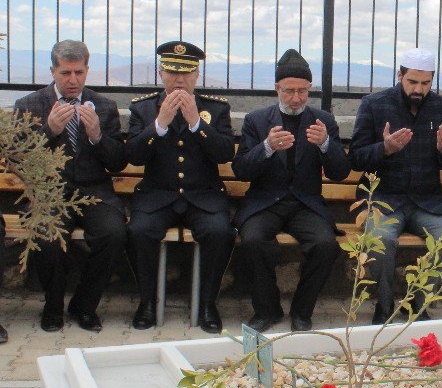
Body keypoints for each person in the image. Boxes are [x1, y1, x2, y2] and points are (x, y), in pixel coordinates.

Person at [232, 49, 352, 332]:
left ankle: (302, 310)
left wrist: (325, 144)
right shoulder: (256, 120)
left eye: (302, 91)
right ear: (277, 89)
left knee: (325, 245)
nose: (296, 98)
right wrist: (267, 148)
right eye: (289, 91)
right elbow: (241, 170)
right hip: (265, 203)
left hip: (305, 203)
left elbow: (340, 172)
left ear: (309, 88)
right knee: (252, 241)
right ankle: (267, 309)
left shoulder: (323, 121)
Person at [14, 40, 128, 332]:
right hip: (48, 192)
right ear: (53, 71)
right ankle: (52, 307)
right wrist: (48, 131)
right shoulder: (29, 105)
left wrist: (97, 136)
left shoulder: (103, 105)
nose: (73, 80)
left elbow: (117, 163)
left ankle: (84, 305)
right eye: (66, 73)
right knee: (47, 234)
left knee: (114, 233)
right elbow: (19, 160)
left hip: (94, 191)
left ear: (87, 70)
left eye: (79, 72)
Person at [126, 41, 236, 332]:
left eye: (186, 73)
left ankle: (207, 304)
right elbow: (133, 156)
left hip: (203, 196)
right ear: (161, 73)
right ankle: (147, 302)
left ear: (197, 75)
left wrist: (197, 124)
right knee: (139, 230)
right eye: (172, 72)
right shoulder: (144, 108)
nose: (179, 79)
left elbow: (226, 153)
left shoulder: (215, 109)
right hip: (157, 196)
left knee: (219, 232)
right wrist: (159, 124)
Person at [350, 48, 442, 324]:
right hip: (384, 199)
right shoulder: (374, 104)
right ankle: (384, 305)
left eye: (425, 83)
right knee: (382, 240)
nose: (419, 89)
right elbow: (355, 157)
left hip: (427, 201)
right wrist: (384, 148)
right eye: (412, 82)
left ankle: (417, 304)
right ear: (399, 75)